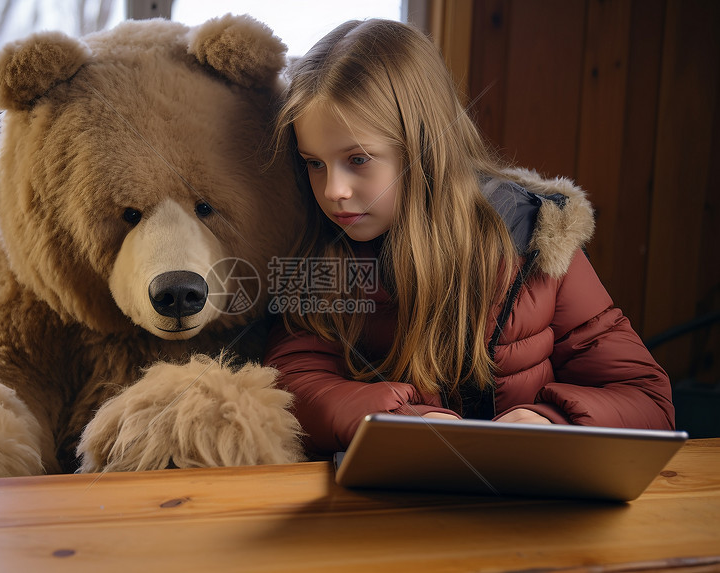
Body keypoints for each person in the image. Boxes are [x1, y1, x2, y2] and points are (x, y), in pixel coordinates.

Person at [263, 18, 674, 458]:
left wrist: (553, 421)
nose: (333, 191)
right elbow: (293, 381)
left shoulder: (536, 243)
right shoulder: (323, 250)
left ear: (423, 147)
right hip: (394, 498)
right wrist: (401, 421)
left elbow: (648, 400)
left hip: (527, 500)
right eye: (314, 163)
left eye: (358, 159)